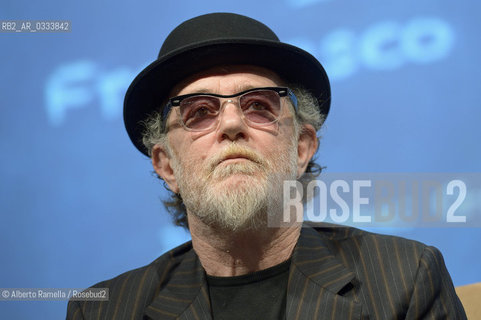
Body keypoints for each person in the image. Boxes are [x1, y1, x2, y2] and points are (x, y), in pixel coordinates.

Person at [66, 12, 466, 319]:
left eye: (259, 105)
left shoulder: (406, 277)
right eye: (199, 112)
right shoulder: (103, 310)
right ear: (167, 165)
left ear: (301, 148)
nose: (232, 124)